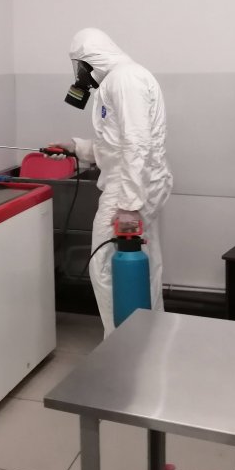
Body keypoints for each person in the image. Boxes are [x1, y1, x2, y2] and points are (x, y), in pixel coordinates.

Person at [55, 28, 173, 336]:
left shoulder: (125, 79)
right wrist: (77, 147)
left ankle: (120, 344)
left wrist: (129, 205)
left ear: (91, 58)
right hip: (136, 181)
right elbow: (117, 145)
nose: (80, 74)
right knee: (145, 263)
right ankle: (149, 340)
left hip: (128, 187)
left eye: (80, 64)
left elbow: (136, 142)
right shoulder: (120, 79)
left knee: (104, 265)